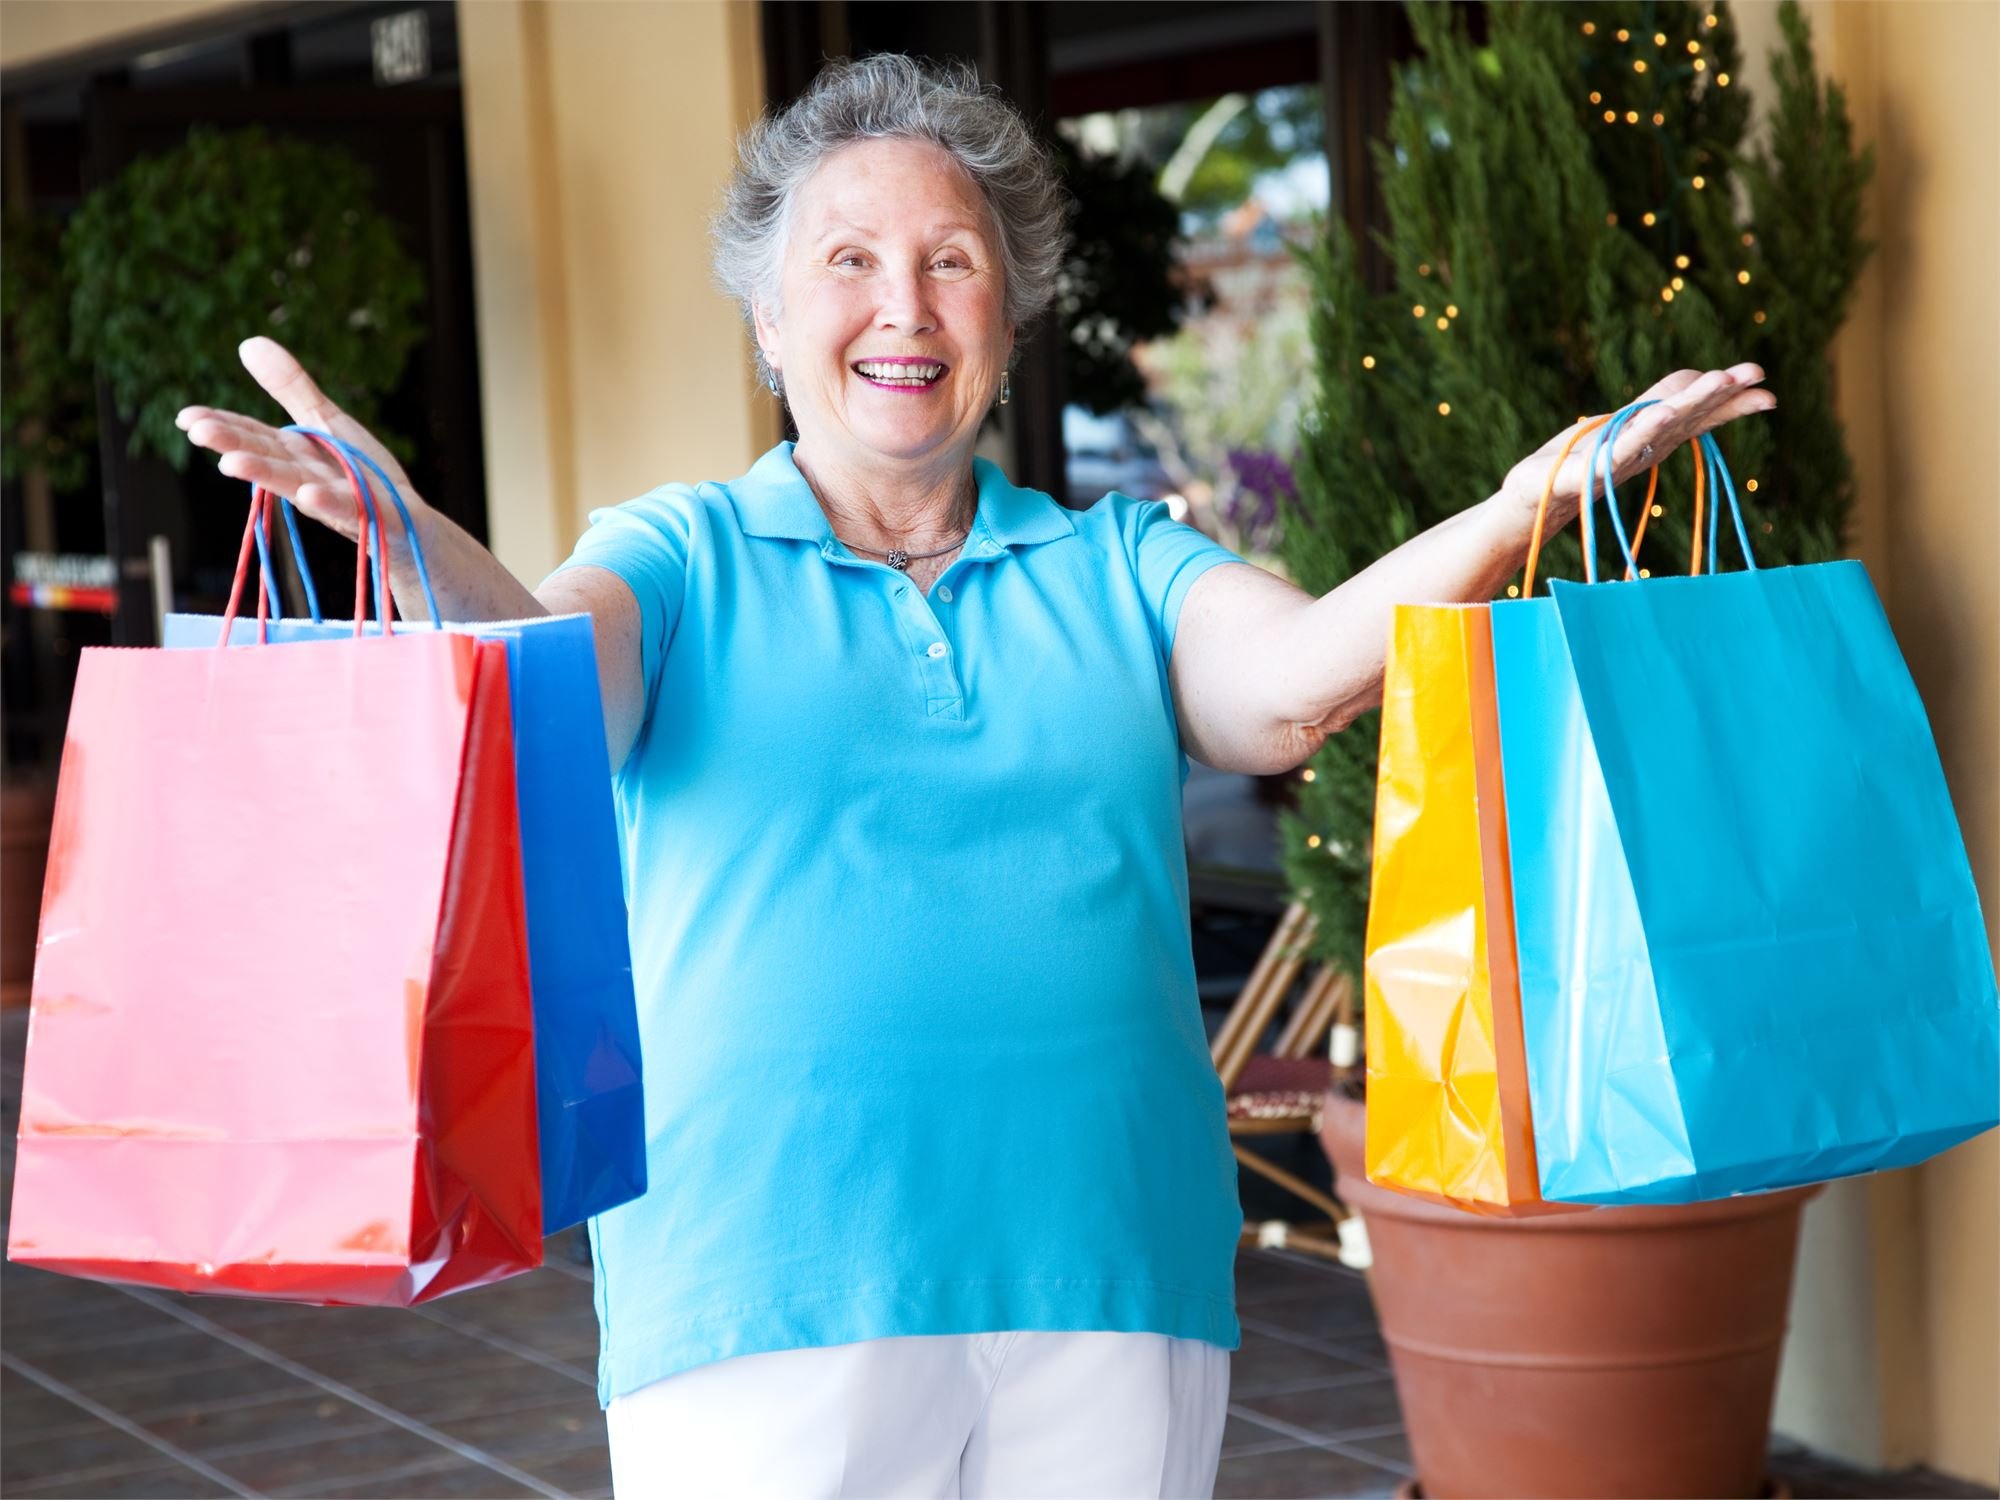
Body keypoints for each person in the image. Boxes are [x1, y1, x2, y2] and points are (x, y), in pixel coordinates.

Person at [178, 53, 1774, 1500]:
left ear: (1010, 321)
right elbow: (543, 681)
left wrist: (1514, 513)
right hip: (768, 1285)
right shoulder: (678, 558)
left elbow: (1287, 694)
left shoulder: (1119, 560)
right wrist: (413, 541)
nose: (905, 307)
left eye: (953, 263)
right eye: (849, 263)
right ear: (766, 317)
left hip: (1109, 1268)